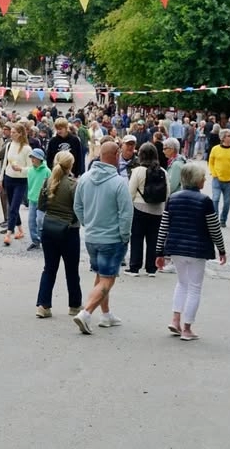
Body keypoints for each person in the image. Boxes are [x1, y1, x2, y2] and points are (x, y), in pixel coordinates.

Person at [155, 162, 228, 341]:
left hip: (176, 248)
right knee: (194, 288)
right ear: (196, 180)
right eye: (203, 177)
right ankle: (187, 329)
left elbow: (164, 226)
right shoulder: (205, 201)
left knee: (182, 283)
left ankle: (175, 320)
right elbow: (214, 228)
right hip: (198, 249)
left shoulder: (173, 198)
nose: (205, 180)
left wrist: (159, 252)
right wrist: (221, 249)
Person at [72, 142, 133, 334]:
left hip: (92, 237)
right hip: (112, 238)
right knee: (107, 279)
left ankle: (106, 315)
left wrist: (87, 223)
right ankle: (86, 312)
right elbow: (126, 214)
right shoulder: (119, 182)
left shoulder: (85, 178)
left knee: (100, 275)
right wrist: (125, 236)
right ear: (116, 154)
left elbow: (77, 206)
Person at [35, 150, 81, 319]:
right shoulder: (73, 184)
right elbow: (78, 209)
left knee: (49, 269)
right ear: (71, 165)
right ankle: (74, 305)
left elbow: (41, 205)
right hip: (69, 229)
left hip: (49, 228)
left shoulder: (48, 181)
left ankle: (43, 305)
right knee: (72, 270)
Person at [125, 142, 169, 277]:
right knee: (154, 239)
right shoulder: (163, 172)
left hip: (139, 208)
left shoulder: (138, 171)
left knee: (137, 238)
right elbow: (167, 193)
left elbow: (131, 192)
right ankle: (151, 268)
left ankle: (134, 267)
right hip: (157, 210)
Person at [1, 123, 31, 245]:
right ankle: (20, 229)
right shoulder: (9, 144)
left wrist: (21, 169)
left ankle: (9, 233)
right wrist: (0, 179)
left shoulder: (27, 149)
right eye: (11, 132)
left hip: (21, 180)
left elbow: (31, 168)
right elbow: (5, 163)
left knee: (13, 207)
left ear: (20, 134)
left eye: (14, 132)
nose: (11, 134)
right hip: (9, 177)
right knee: (12, 205)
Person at [207, 129, 230, 228]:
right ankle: (215, 219)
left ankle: (223, 220)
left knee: (227, 202)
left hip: (229, 181)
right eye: (228, 136)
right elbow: (211, 162)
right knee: (215, 199)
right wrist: (214, 173)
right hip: (217, 179)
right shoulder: (215, 149)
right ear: (223, 138)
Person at [26, 148, 51, 252]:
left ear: (40, 159)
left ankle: (43, 240)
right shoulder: (30, 171)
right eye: (31, 157)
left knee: (40, 220)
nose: (32, 159)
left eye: (35, 157)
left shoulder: (47, 171)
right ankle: (35, 241)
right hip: (32, 199)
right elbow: (29, 185)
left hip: (43, 201)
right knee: (31, 222)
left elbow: (50, 185)